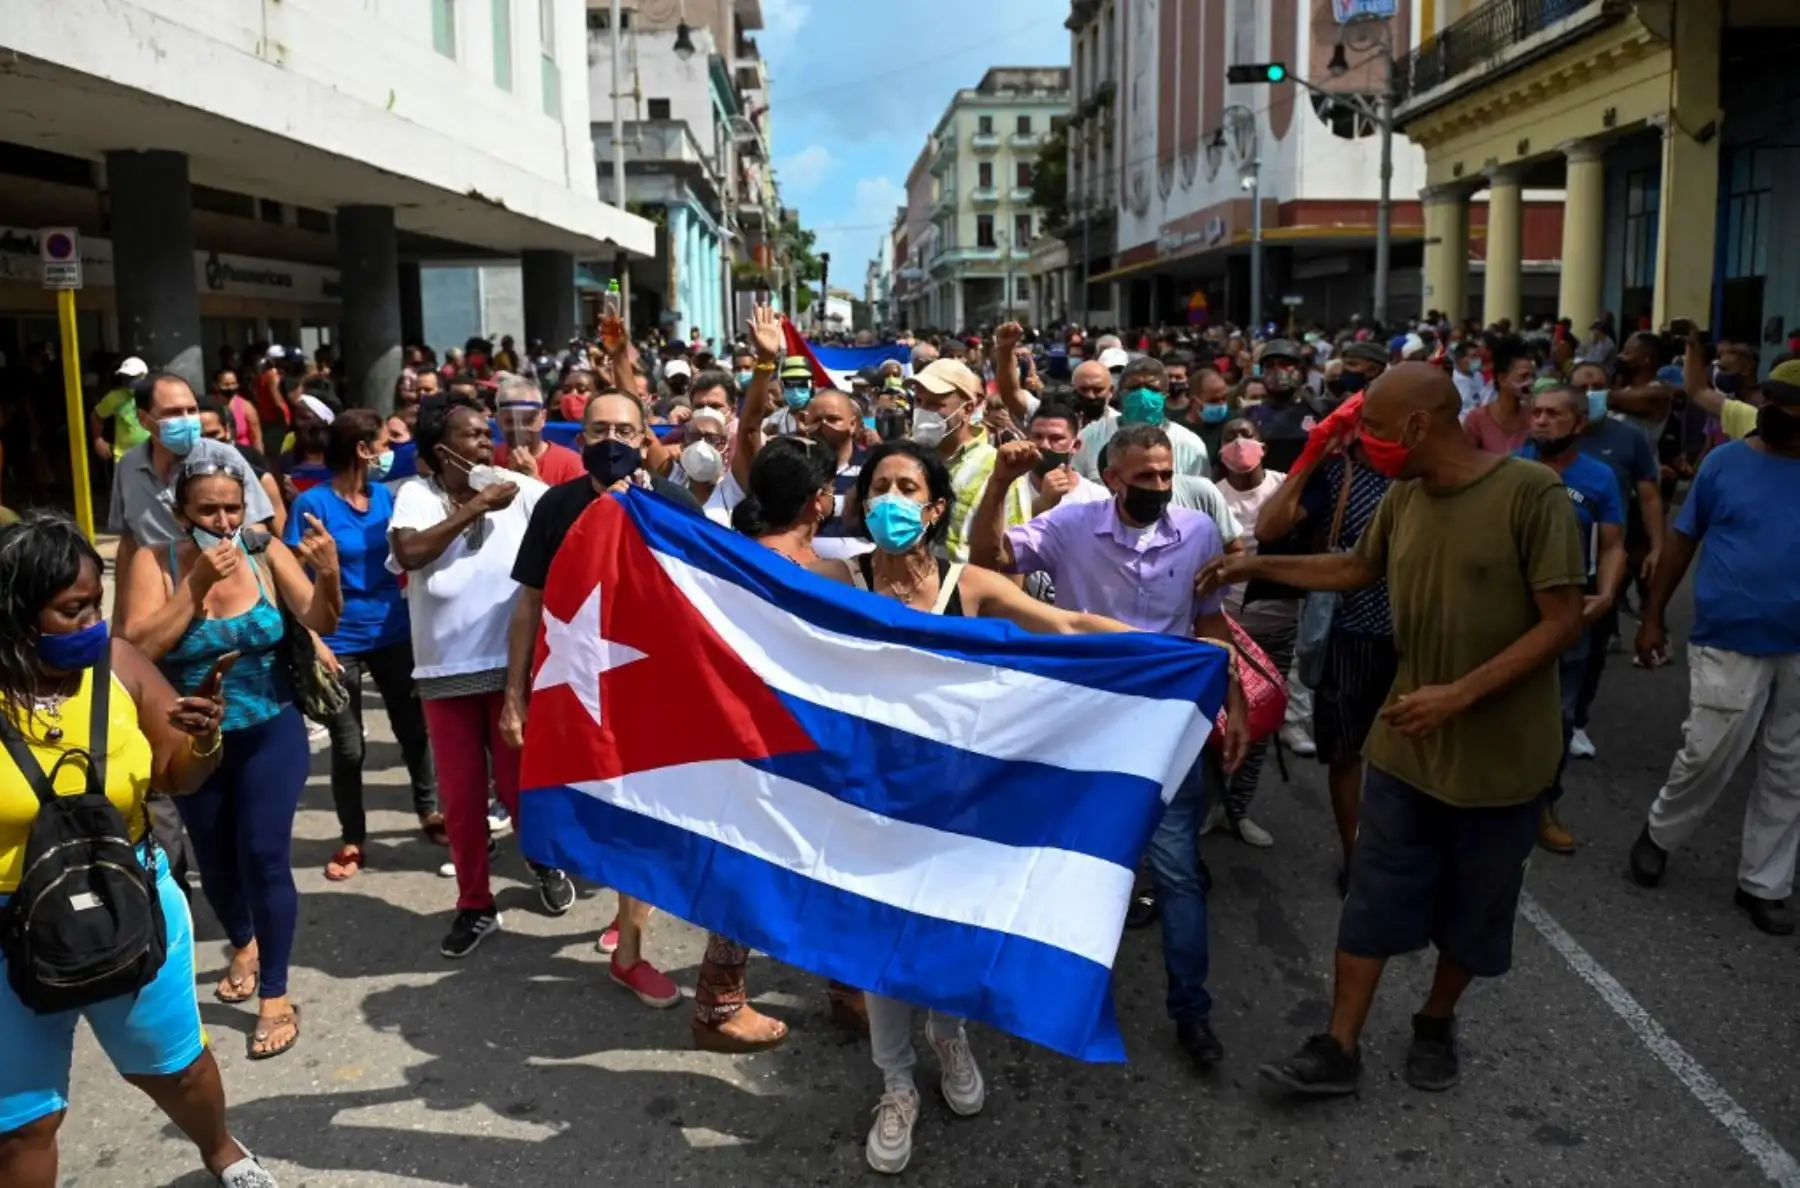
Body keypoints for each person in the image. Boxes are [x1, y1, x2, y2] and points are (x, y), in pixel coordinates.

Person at [1202, 363, 1584, 1095]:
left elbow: (1563, 621)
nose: (1366, 442)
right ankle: (1339, 1046)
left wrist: (1460, 695)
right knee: (1374, 895)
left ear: (1415, 427)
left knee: (1475, 909)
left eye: (1373, 429)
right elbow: (1353, 568)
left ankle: (1436, 1020)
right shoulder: (1406, 498)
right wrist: (1252, 563)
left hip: (1502, 761)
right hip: (1407, 747)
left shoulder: (1530, 494)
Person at [824, 438, 1149, 1175]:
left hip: (962, 796)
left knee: (953, 929)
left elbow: (1065, 627)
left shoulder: (964, 584)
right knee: (883, 945)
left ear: (935, 508)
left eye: (908, 487)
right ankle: (897, 1081)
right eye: (879, 486)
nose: (891, 501)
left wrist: (1177, 651)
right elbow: (753, 601)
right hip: (872, 792)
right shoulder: (837, 578)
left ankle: (950, 1034)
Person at [0, 513, 285, 1188]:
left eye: (95, 605)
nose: (93, 624)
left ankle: (221, 1150)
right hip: (11, 932)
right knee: (23, 1124)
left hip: (129, 905)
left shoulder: (119, 665)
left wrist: (204, 736)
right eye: (71, 611)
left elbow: (176, 771)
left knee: (177, 1069)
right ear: (14, 614)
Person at [969, 424, 1249, 1075]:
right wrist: (1004, 483)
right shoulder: (1070, 525)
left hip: (1168, 724)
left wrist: (1231, 699)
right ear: (1113, 478)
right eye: (1143, 476)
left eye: (1164, 475)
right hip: (1083, 723)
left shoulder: (1198, 533)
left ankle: (1192, 1012)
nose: (1157, 486)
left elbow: (1210, 623)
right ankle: (1033, 990)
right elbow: (991, 560)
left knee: (1177, 872)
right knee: (1055, 860)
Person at [119, 456, 343, 1063]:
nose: (222, 522)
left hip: (271, 728)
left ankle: (275, 992)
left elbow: (318, 617)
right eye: (207, 511)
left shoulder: (264, 551)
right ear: (181, 514)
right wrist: (193, 586)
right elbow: (135, 648)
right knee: (215, 860)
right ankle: (242, 941)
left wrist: (329, 575)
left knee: (266, 855)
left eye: (231, 508)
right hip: (191, 738)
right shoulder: (154, 559)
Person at [504, 375, 704, 1009]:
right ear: (579, 437)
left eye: (624, 431)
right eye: (598, 431)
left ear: (646, 441)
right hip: (579, 688)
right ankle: (625, 907)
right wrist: (515, 694)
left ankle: (628, 944)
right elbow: (529, 601)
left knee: (644, 814)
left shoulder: (674, 506)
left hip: (656, 690)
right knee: (600, 809)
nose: (611, 441)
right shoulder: (555, 508)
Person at [387, 393, 569, 957]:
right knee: (462, 800)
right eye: (472, 436)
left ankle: (541, 860)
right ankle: (474, 904)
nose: (487, 443)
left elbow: (577, 511)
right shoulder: (417, 495)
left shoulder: (520, 493)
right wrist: (474, 506)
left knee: (520, 789)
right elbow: (410, 553)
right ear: (443, 452)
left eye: (486, 433)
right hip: (443, 672)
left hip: (511, 670)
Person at [1628, 362, 1800, 936]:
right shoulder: (1724, 462)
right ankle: (1660, 833)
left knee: (1790, 769)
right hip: (1730, 637)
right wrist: (1652, 616)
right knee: (1709, 752)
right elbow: (1682, 544)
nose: (1787, 413)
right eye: (1778, 400)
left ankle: (1764, 883)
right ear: (1761, 400)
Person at [1253, 348, 1396, 891]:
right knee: (1347, 753)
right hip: (1350, 633)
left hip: (1417, 632)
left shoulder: (1425, 471)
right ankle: (1355, 852)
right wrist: (1314, 453)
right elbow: (1270, 527)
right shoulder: (1337, 471)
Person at [285, 412, 446, 883]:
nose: (389, 450)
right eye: (383, 441)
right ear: (362, 449)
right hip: (337, 640)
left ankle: (429, 810)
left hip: (394, 633)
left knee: (413, 731)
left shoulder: (388, 498)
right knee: (349, 746)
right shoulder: (311, 505)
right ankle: (353, 837)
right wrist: (313, 639)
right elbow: (292, 577)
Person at [1514, 386, 1626, 854]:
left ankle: (1542, 806)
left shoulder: (1599, 477)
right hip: (1508, 613)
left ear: (1579, 424)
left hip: (1567, 616)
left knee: (1557, 716)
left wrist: (1605, 594)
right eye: (1535, 413)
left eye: (1553, 415)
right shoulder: (1509, 467)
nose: (1540, 421)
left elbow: (1614, 544)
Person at [107, 373, 277, 625]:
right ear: (145, 419)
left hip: (226, 607)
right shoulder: (128, 467)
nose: (187, 420)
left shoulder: (225, 458)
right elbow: (129, 543)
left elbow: (258, 533)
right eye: (174, 413)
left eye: (191, 410)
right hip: (160, 606)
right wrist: (121, 621)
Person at [1567, 359, 1664, 758]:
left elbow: (1649, 495)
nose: (1590, 394)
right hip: (1549, 560)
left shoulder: (1629, 437)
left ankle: (1576, 720)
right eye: (1582, 386)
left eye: (1598, 386)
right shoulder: (1548, 435)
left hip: (1606, 557)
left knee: (1593, 645)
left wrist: (1658, 545)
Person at [1211, 417, 1288, 848]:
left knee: (1261, 724)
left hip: (1277, 621)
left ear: (1263, 443)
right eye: (1229, 438)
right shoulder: (1212, 496)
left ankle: (1239, 809)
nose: (1240, 444)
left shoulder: (1284, 486)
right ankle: (1211, 802)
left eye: (1248, 436)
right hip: (1225, 626)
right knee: (1216, 722)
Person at [905, 359, 994, 563]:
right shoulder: (904, 459)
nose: (924, 412)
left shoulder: (994, 467)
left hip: (963, 589)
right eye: (919, 401)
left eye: (936, 404)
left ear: (967, 409)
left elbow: (1011, 554)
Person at [1072, 356, 1211, 481]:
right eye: (1134, 388)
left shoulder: (1189, 445)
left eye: (1152, 389)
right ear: (1120, 393)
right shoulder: (1090, 437)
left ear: (1165, 395)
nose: (1143, 395)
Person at [492, 373, 584, 484]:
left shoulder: (571, 464)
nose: (520, 429)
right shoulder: (491, 459)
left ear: (542, 418)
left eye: (528, 420)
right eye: (510, 421)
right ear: (498, 421)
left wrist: (533, 478)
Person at [1462, 335, 1533, 455]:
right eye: (1523, 376)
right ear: (1502, 379)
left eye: (1532, 376)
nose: (1530, 382)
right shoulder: (1477, 420)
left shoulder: (1534, 419)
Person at [90, 356, 150, 463]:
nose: (129, 380)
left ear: (144, 376)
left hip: (151, 456)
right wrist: (98, 439)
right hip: (124, 458)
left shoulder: (154, 394)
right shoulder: (115, 397)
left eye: (133, 376)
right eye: (126, 376)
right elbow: (96, 416)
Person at [214, 369, 261, 452]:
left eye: (233, 383)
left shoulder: (246, 406)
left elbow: (256, 438)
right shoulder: (211, 406)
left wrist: (259, 460)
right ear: (216, 385)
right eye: (226, 384)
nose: (231, 388)